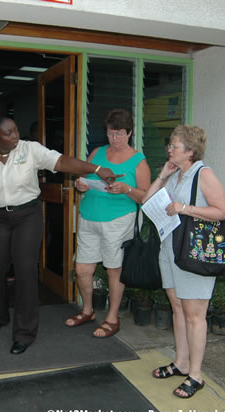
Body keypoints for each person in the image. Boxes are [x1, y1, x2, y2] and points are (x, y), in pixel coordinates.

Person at [0, 115, 121, 355]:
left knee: (25, 269)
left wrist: (96, 169)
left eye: (15, 130)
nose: (15, 135)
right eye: (8, 133)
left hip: (28, 214)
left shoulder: (30, 150)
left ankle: (24, 333)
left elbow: (62, 162)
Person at [143, 125, 225, 399]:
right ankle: (180, 363)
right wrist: (162, 176)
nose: (169, 149)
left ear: (190, 151)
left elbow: (221, 212)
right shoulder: (176, 174)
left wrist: (184, 208)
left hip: (194, 252)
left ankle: (196, 375)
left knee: (194, 314)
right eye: (169, 145)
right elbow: (146, 201)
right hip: (170, 247)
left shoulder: (204, 174)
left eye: (174, 146)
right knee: (177, 307)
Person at [65, 108, 151, 338]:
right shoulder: (97, 152)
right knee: (83, 268)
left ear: (130, 132)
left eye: (119, 134)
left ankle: (112, 318)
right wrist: (80, 184)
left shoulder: (138, 161)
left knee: (114, 269)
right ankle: (88, 310)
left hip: (118, 219)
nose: (114, 139)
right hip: (89, 215)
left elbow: (146, 197)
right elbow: (82, 176)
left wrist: (126, 189)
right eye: (111, 133)